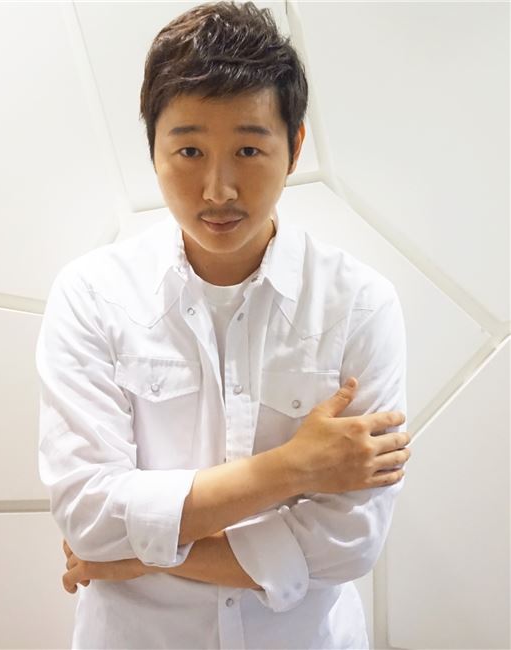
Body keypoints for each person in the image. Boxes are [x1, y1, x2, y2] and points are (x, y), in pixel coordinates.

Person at [36, 2, 412, 648]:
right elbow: (88, 516)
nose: (218, 189)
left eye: (248, 149)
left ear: (294, 148)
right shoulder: (92, 295)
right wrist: (291, 469)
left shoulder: (358, 305)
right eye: (189, 150)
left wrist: (135, 557)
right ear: (153, 148)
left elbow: (349, 542)